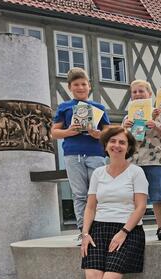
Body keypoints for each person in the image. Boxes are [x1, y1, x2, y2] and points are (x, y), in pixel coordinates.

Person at [70, 126, 148, 279]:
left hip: (128, 229)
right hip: (98, 229)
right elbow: (91, 207)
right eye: (112, 141)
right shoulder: (98, 174)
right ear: (105, 146)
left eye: (122, 142)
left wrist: (124, 231)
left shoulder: (136, 173)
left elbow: (140, 207)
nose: (117, 145)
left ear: (128, 147)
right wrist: (85, 233)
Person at [51, 67, 110, 240]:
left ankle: (99, 228)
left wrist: (98, 134)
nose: (80, 87)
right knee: (79, 193)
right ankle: (83, 231)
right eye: (76, 84)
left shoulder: (98, 107)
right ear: (70, 87)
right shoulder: (64, 107)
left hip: (96, 153)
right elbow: (54, 132)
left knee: (98, 193)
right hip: (73, 154)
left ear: (89, 86)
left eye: (83, 84)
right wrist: (68, 131)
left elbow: (108, 131)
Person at [123, 79, 161, 241]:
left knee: (158, 195)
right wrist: (125, 127)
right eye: (135, 92)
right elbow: (123, 141)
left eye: (141, 91)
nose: (138, 94)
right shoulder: (128, 116)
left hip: (156, 160)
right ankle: (135, 227)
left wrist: (158, 125)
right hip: (133, 161)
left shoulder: (159, 113)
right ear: (131, 96)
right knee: (134, 197)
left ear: (149, 94)